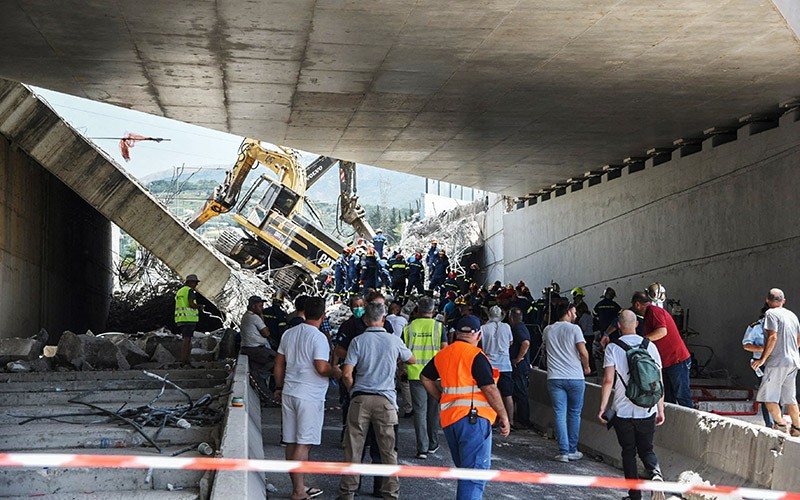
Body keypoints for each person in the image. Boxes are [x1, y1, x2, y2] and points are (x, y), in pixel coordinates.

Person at [420, 314, 510, 499]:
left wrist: (441, 398)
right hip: (473, 420)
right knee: (474, 475)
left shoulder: (443, 355)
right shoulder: (475, 356)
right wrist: (503, 415)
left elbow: (425, 377)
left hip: (451, 420)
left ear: (455, 334)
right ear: (478, 335)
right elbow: (489, 388)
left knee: (466, 471)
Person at [338, 301, 416, 500]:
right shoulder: (393, 341)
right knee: (388, 450)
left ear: (365, 319)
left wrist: (353, 390)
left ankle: (348, 492)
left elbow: (346, 374)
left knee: (353, 448)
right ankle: (390, 492)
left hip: (360, 400)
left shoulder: (357, 341)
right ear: (384, 319)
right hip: (386, 401)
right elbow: (412, 359)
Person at [274, 296, 340, 500]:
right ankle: (298, 491)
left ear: (300, 312)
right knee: (303, 443)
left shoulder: (289, 333)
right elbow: (321, 368)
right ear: (323, 315)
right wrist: (335, 371)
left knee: (292, 442)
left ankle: (298, 487)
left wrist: (278, 386)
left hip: (290, 392)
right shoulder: (318, 337)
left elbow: (279, 364)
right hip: (309, 396)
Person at [598, 310, 665, 500]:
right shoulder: (650, 346)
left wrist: (603, 408)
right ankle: (655, 474)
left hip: (623, 410)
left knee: (628, 452)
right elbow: (658, 381)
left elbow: (608, 381)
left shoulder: (613, 348)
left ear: (619, 326)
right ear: (637, 324)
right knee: (647, 449)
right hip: (648, 409)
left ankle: (635, 495)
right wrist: (660, 409)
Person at [542, 302, 590, 462]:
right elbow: (583, 352)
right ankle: (572, 450)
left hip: (555, 377)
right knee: (574, 413)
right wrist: (587, 367)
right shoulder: (575, 329)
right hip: (575, 377)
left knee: (559, 414)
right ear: (568, 312)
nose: (576, 315)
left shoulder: (548, 330)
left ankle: (563, 452)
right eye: (574, 312)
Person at [402, 296, 447, 459]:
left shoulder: (409, 327)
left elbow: (403, 351)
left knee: (420, 411)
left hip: (415, 375)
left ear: (417, 310)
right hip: (435, 376)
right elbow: (445, 350)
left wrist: (403, 369)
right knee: (433, 411)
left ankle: (422, 448)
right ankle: (433, 444)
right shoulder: (439, 327)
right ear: (433, 310)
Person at [751, 288, 800, 436]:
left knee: (768, 397)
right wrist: (790, 351)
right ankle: (797, 428)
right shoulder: (792, 315)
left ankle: (780, 424)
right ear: (783, 301)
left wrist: (762, 359)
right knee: (790, 398)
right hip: (793, 361)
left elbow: (772, 337)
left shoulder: (770, 314)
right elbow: (798, 339)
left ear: (767, 300)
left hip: (777, 362)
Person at [632, 291, 693, 408]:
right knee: (668, 397)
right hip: (667, 361)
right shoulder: (649, 315)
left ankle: (689, 422)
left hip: (676, 360)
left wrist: (643, 341)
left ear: (637, 305)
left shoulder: (655, 312)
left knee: (682, 396)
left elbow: (662, 331)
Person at [480, 306, 515, 426]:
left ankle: (493, 420)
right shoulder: (507, 327)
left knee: (491, 393)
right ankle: (510, 420)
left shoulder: (483, 328)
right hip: (505, 364)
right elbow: (511, 342)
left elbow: (479, 343)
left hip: (490, 365)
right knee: (508, 395)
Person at [742, 304, 774, 427]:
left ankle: (778, 421)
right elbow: (746, 345)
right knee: (767, 394)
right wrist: (764, 349)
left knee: (780, 394)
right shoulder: (755, 327)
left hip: (778, 363)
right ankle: (769, 423)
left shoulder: (781, 326)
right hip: (762, 363)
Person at [239, 295, 276, 383]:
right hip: (255, 348)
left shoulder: (246, 316)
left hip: (247, 347)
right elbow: (266, 333)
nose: (262, 308)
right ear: (253, 306)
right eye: (260, 306)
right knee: (278, 359)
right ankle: (260, 374)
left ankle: (259, 374)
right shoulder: (254, 317)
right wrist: (261, 317)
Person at [508, 307, 531, 428]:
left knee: (521, 392)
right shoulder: (522, 327)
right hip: (521, 365)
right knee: (517, 392)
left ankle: (523, 420)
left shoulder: (518, 328)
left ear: (511, 318)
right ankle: (520, 417)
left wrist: (518, 358)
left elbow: (525, 342)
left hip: (520, 366)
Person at [175, 274, 203, 366]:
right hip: (188, 319)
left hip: (180, 319)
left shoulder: (180, 291)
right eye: (195, 283)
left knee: (187, 339)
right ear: (190, 282)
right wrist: (199, 306)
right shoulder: (190, 291)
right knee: (187, 340)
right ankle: (183, 362)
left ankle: (186, 360)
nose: (196, 285)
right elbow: (191, 304)